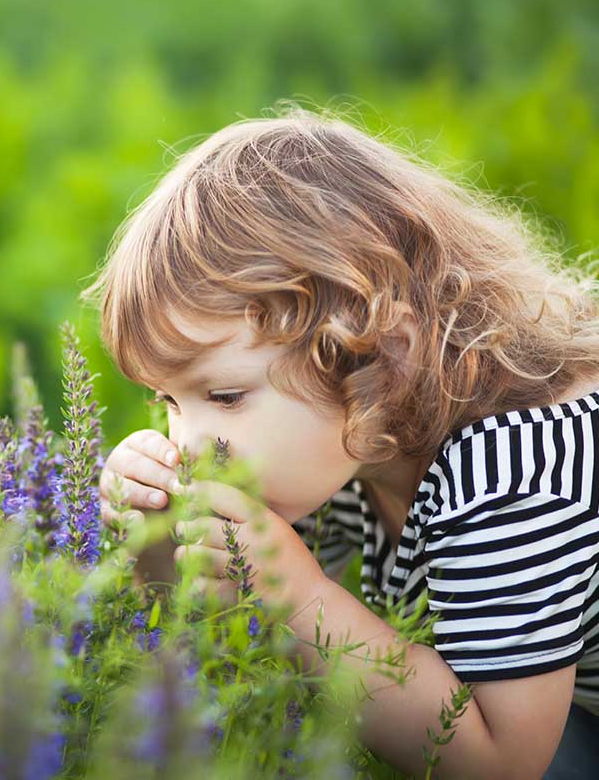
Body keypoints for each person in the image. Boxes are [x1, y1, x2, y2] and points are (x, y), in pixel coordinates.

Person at [81, 103, 599, 779]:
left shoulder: (510, 476)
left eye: (227, 396)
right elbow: (234, 646)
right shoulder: (347, 434)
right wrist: (162, 553)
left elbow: (501, 763)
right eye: (169, 404)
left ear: (385, 355)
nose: (190, 443)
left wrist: (297, 596)